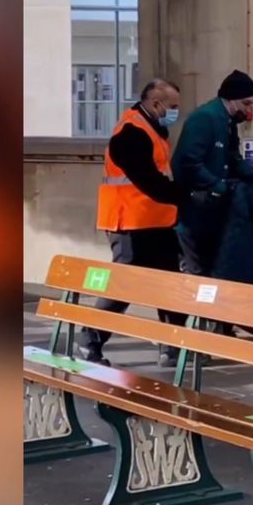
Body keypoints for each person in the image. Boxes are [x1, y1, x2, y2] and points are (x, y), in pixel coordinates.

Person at [80, 79, 191, 367]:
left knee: (168, 282)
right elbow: (148, 180)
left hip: (153, 221)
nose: (176, 112)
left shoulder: (152, 128)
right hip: (129, 221)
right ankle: (90, 340)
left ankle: (173, 345)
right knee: (124, 285)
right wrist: (184, 196)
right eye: (173, 106)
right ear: (156, 104)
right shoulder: (131, 132)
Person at [171, 69, 253, 277]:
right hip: (195, 211)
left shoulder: (227, 122)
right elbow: (188, 161)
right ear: (231, 100)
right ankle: (182, 309)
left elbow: (234, 159)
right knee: (197, 270)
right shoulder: (206, 118)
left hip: (212, 209)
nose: (249, 110)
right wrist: (217, 185)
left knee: (211, 268)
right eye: (246, 103)